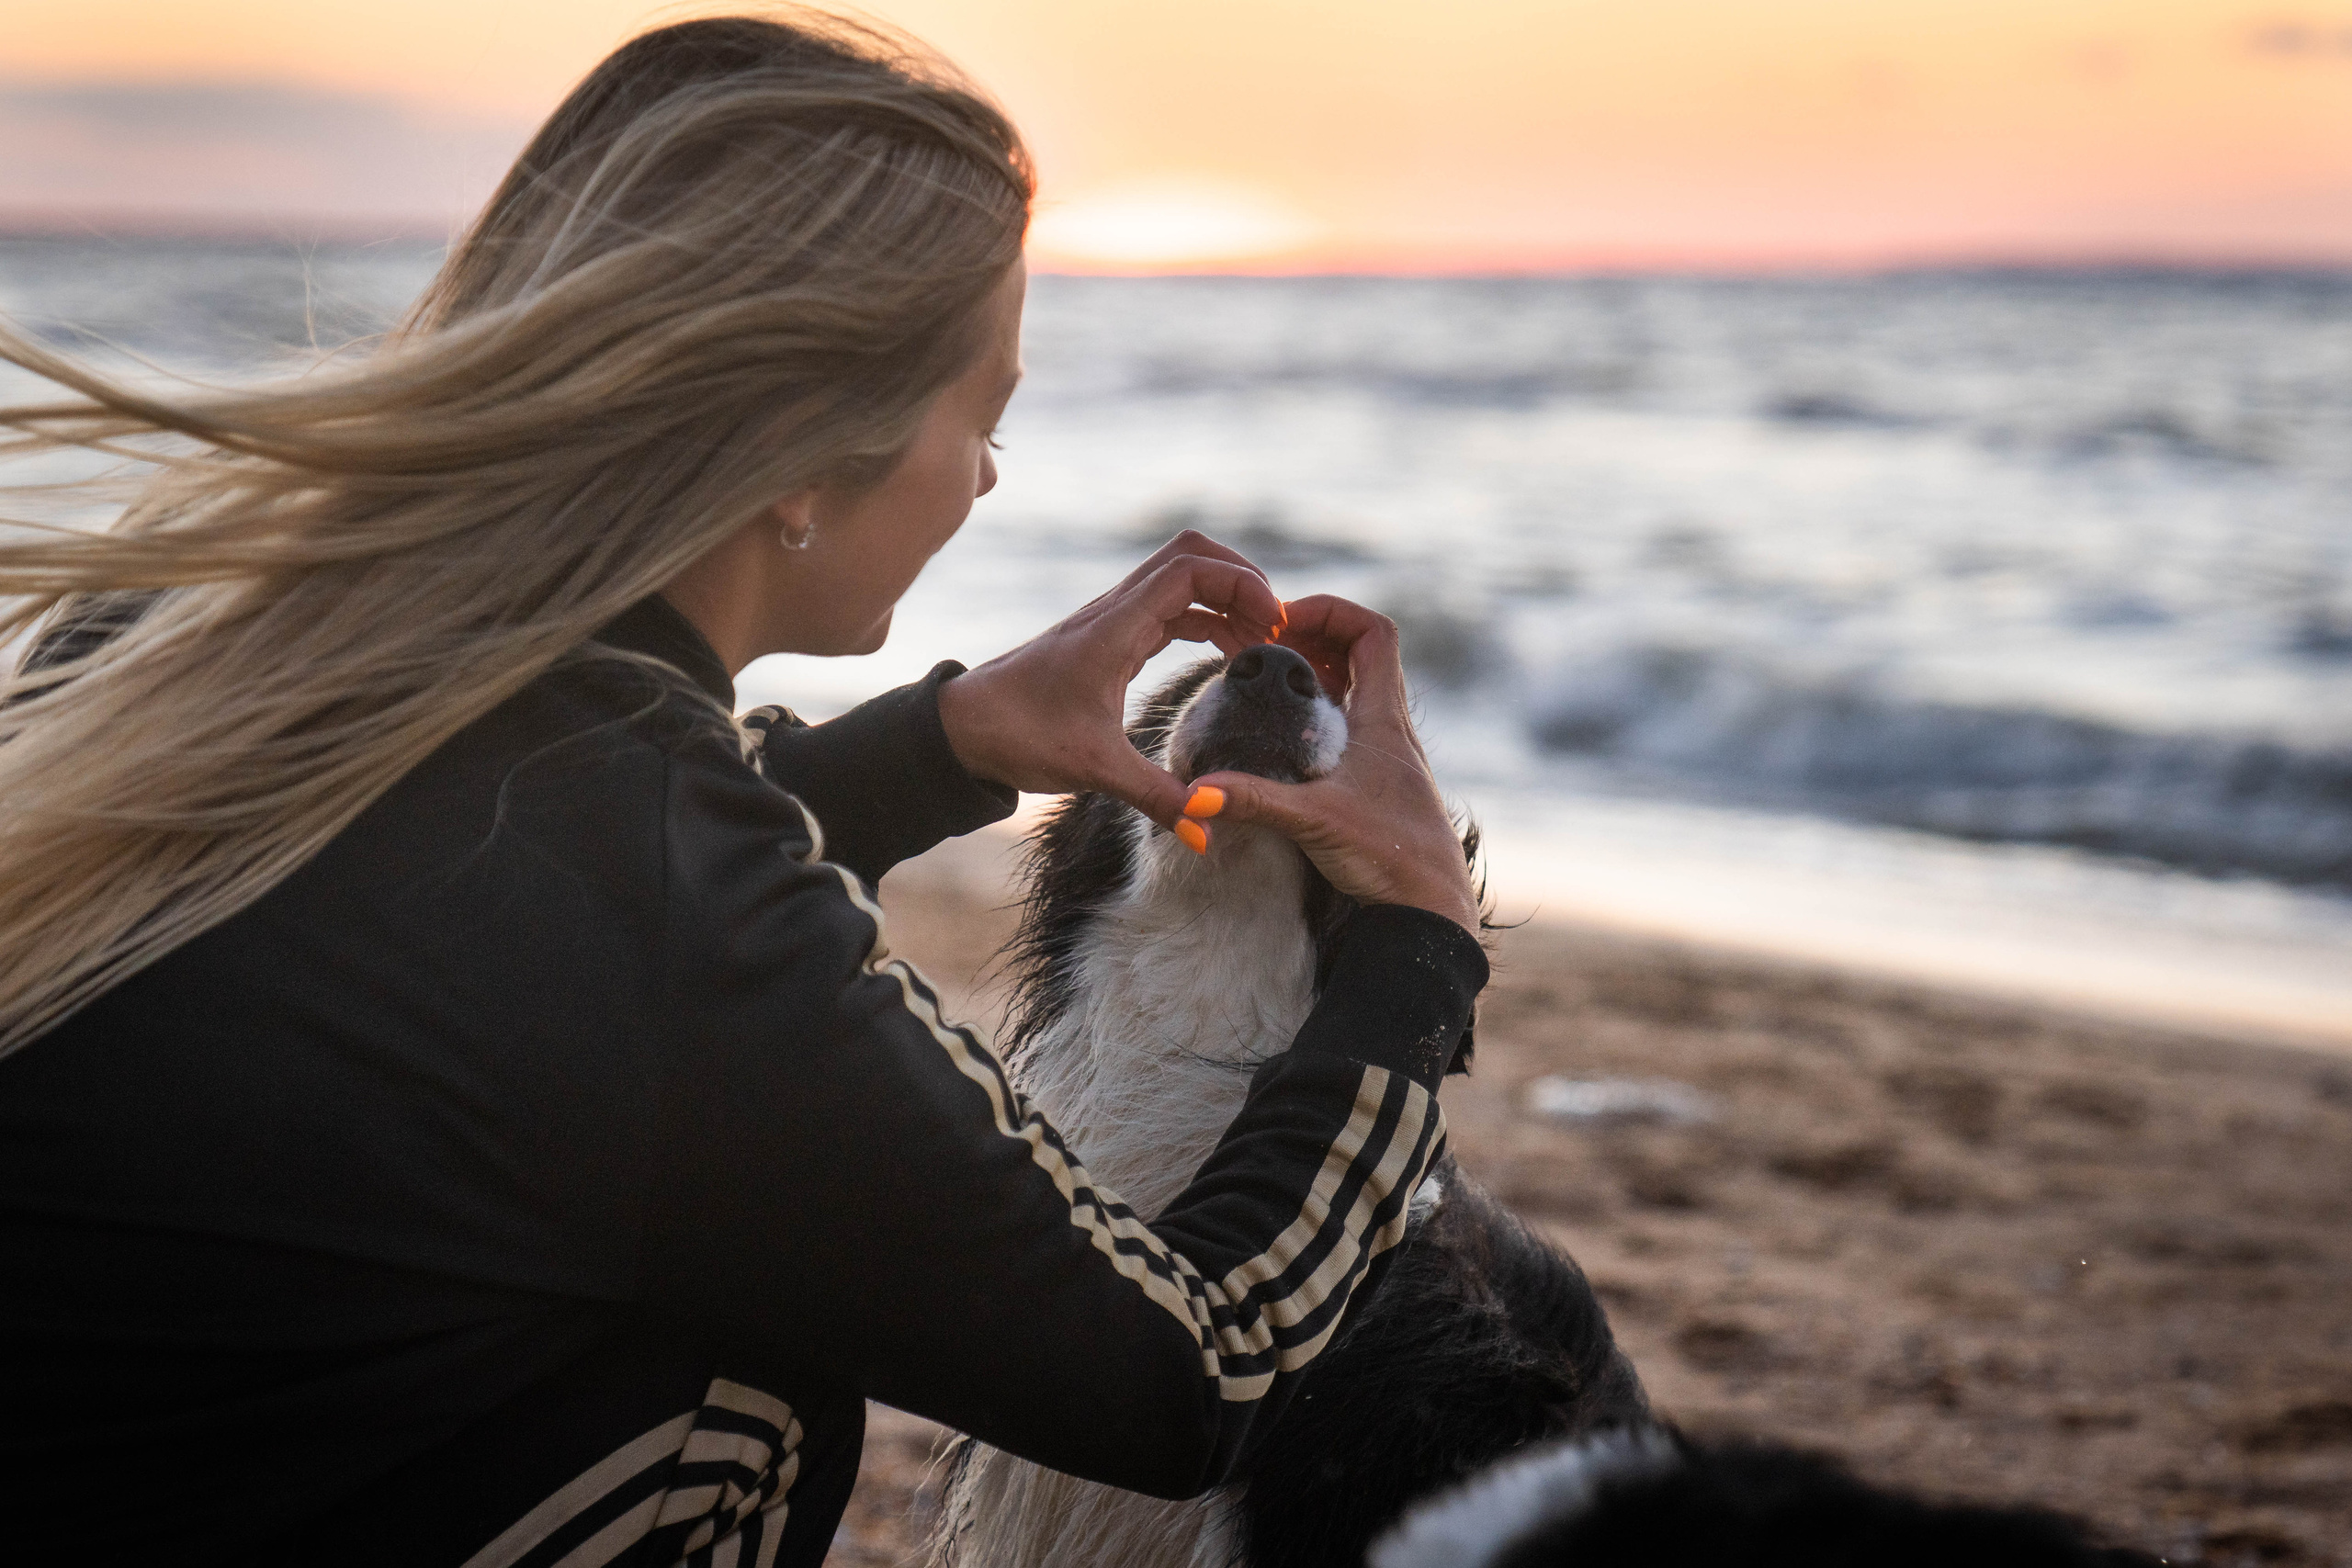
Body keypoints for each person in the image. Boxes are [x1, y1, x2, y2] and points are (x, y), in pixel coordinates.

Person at [0, 15, 1484, 1566]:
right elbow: (1195, 1376)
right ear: (800, 446)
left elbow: (520, 893)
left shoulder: (178, 642)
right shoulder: (669, 909)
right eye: (983, 414)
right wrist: (1418, 949)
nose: (986, 477)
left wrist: (953, 741)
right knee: (740, 1342)